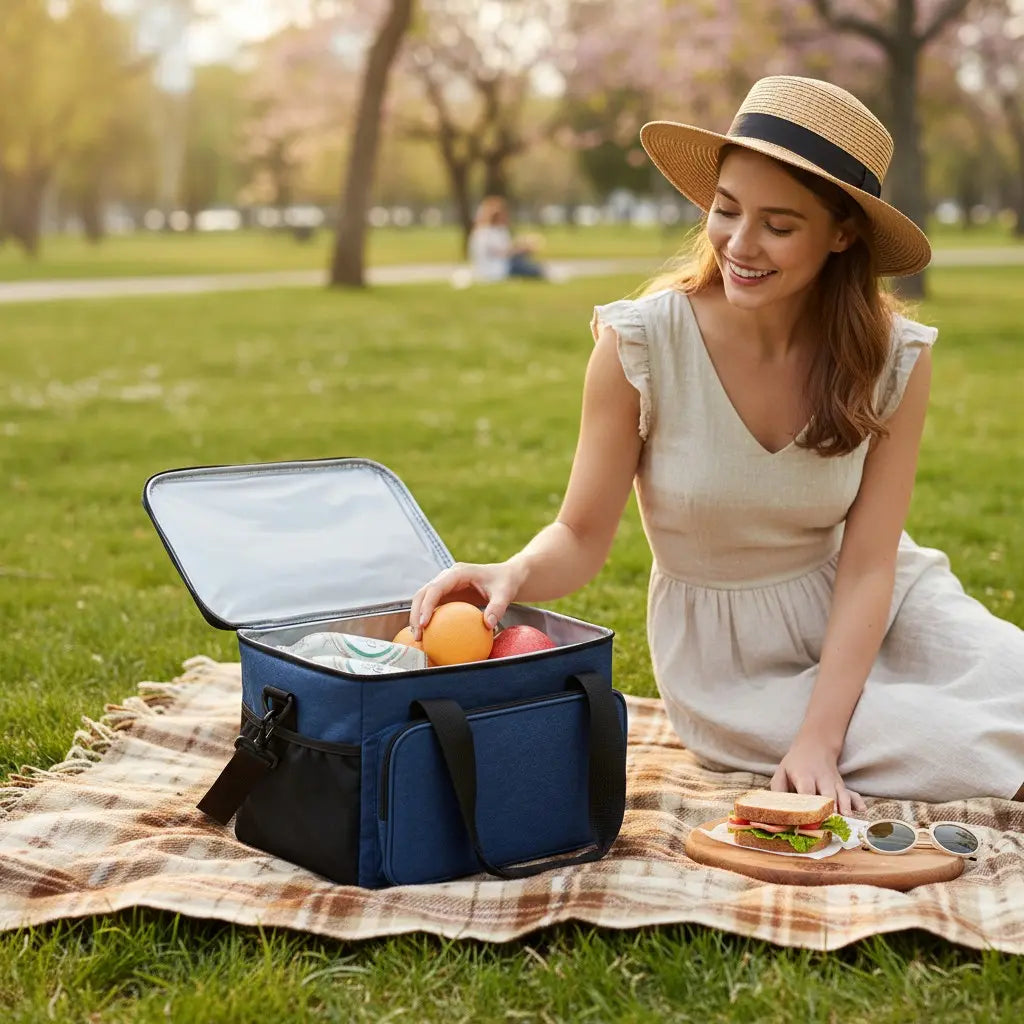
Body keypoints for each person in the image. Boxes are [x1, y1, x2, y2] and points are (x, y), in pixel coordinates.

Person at [410, 76, 1024, 814]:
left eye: (779, 225)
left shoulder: (892, 356)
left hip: (875, 602)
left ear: (842, 234)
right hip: (730, 664)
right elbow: (579, 533)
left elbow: (870, 565)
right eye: (725, 211)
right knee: (964, 749)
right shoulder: (640, 344)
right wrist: (511, 572)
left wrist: (823, 737)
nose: (739, 243)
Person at [468, 195, 546, 282]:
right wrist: (520, 249)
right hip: (496, 269)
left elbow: (506, 248)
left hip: (499, 266)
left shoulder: (493, 230)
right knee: (535, 271)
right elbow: (501, 252)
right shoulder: (485, 233)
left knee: (527, 263)